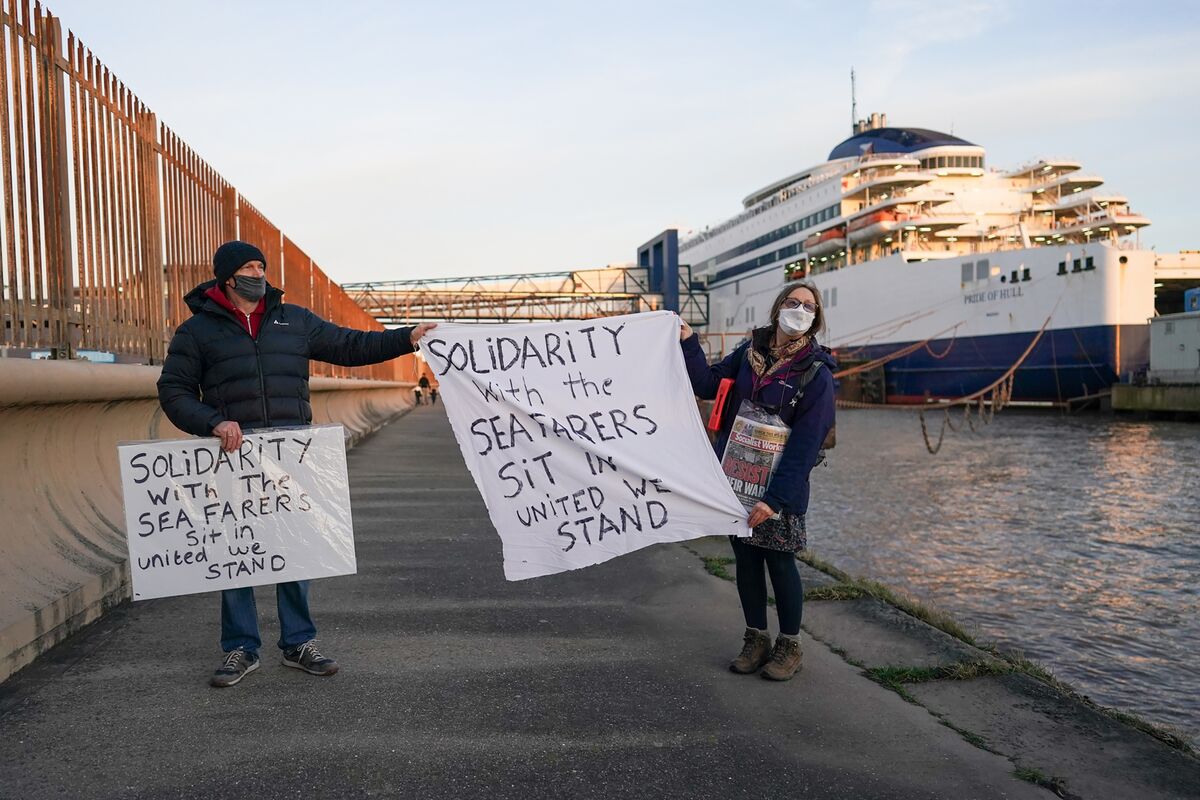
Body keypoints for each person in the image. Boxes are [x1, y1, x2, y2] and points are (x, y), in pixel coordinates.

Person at [157, 240, 436, 688]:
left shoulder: (295, 320)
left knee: (295, 551)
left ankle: (299, 643)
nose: (259, 272)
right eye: (249, 266)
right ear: (228, 277)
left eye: (262, 266)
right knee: (237, 553)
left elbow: (350, 346)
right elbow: (174, 391)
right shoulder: (197, 333)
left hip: (292, 454)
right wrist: (213, 422)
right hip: (234, 458)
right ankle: (240, 648)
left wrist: (406, 336)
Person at [679, 281, 835, 681]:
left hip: (778, 490)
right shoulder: (748, 356)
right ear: (778, 308)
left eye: (808, 307)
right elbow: (706, 384)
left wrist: (776, 499)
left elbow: (806, 444)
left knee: (780, 563)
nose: (799, 310)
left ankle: (789, 645)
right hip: (735, 481)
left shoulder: (816, 374)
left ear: (815, 319)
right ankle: (755, 638)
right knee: (746, 563)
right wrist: (688, 342)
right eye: (793, 302)